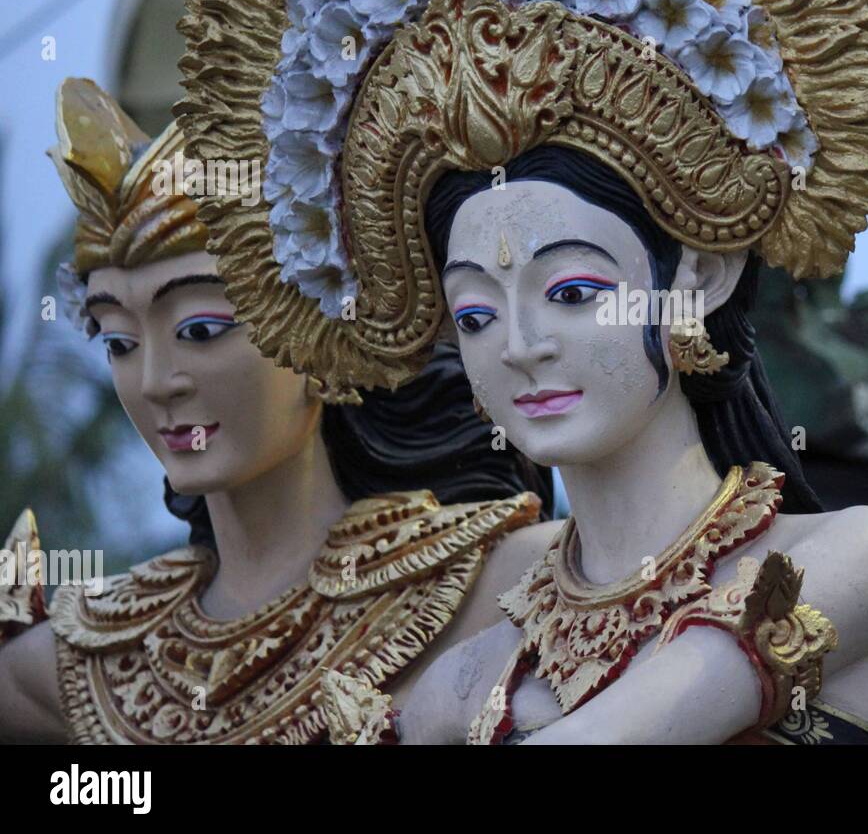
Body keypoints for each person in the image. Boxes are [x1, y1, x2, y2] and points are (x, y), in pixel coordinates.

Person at [175, 0, 868, 743]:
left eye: (572, 294)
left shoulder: (845, 560)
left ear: (698, 276)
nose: (519, 346)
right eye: (475, 315)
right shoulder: (469, 675)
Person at [0, 79, 549, 743]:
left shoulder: (506, 580)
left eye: (200, 330)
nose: (154, 382)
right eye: (119, 340)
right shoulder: (91, 655)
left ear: (321, 335)